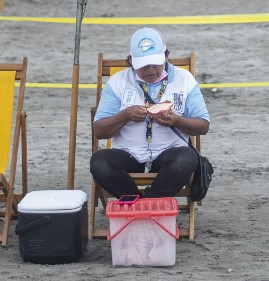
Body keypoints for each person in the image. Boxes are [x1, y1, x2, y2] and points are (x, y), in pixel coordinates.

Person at [90, 27, 210, 200]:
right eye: (143, 65)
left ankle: (144, 203)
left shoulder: (184, 79)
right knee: (99, 162)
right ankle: (140, 202)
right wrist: (124, 116)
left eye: (155, 63)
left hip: (169, 154)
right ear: (131, 61)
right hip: (127, 154)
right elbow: (100, 132)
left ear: (166, 55)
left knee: (186, 158)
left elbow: (203, 126)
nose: (150, 69)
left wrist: (176, 121)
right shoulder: (118, 81)